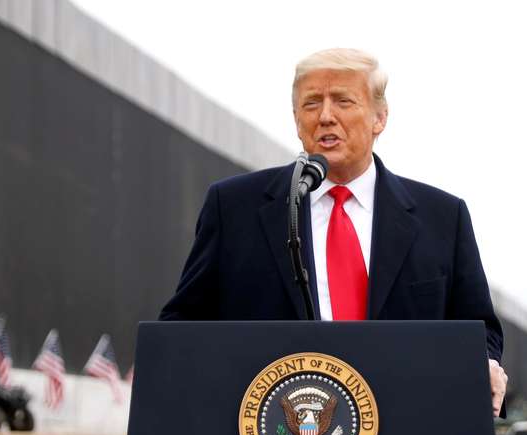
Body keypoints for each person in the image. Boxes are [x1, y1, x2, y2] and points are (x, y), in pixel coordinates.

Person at [159, 48, 508, 416]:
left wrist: (483, 364)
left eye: (343, 101)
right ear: (296, 120)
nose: (326, 116)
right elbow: (182, 327)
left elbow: (480, 330)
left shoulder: (442, 217)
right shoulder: (233, 208)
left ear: (380, 118)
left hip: (406, 433)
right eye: (311, 104)